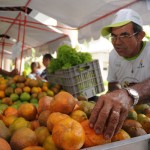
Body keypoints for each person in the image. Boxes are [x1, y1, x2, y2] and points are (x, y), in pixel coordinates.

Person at [89, 8, 150, 140]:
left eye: (124, 35)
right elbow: (112, 84)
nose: (117, 42)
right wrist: (114, 99)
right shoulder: (114, 56)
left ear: (140, 36)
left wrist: (128, 93)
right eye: (114, 36)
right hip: (130, 118)